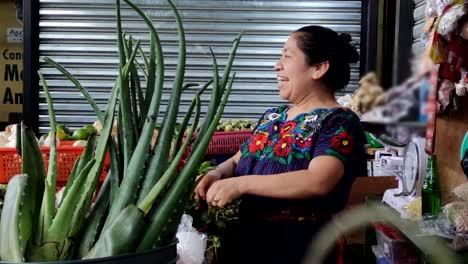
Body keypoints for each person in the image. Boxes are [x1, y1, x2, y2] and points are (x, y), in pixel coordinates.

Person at [194, 25, 367, 264]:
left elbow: (318, 180)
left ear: (318, 68)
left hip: (298, 246)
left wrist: (241, 184)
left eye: (287, 56)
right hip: (246, 241)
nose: (277, 65)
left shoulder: (339, 121)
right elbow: (238, 159)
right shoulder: (272, 117)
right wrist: (217, 172)